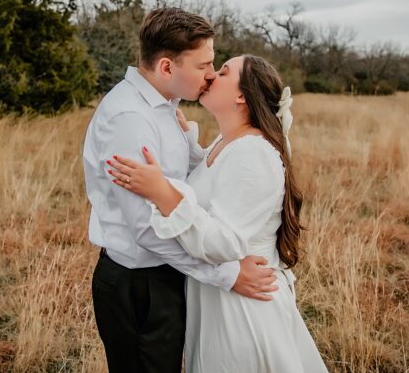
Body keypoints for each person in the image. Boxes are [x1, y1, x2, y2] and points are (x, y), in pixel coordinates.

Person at [82, 9, 279, 372]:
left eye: (216, 65)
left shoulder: (166, 106)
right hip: (140, 286)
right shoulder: (131, 120)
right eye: (204, 65)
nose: (210, 74)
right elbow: (145, 229)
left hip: (170, 274)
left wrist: (191, 147)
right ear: (168, 68)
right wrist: (227, 275)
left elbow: (193, 183)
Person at [107, 54, 327, 372]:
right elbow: (216, 182)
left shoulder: (253, 153)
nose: (211, 76)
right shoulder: (228, 141)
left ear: (241, 95)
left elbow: (226, 242)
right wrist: (185, 143)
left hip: (242, 312)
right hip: (218, 302)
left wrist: (163, 194)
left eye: (223, 72)